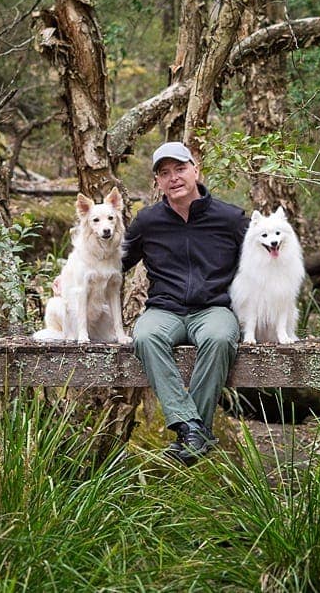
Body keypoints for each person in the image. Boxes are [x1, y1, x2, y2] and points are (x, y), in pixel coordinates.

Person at [122, 141, 249, 466]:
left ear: (196, 170)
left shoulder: (230, 218)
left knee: (220, 338)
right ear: (158, 182)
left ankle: (192, 430)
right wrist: (71, 278)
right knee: (146, 337)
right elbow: (113, 262)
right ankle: (193, 427)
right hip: (165, 309)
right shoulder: (148, 221)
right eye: (164, 173)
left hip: (214, 308)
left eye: (180, 169)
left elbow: (263, 261)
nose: (173, 178)